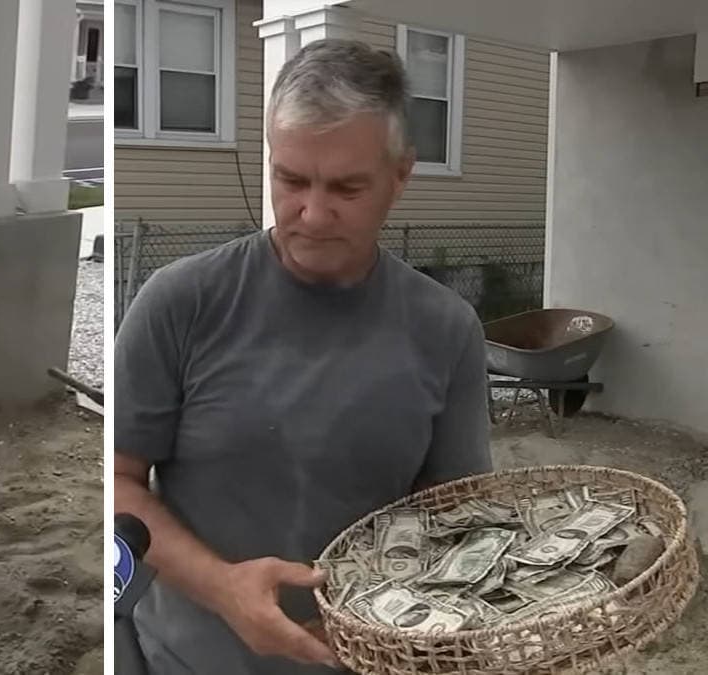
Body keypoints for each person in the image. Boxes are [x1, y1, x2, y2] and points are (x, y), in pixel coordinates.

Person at [113, 39, 492, 675]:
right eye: (290, 179)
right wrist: (222, 588)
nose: (312, 215)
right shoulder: (181, 303)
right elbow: (116, 485)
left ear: (401, 175)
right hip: (181, 660)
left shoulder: (447, 330)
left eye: (347, 186)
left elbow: (456, 518)